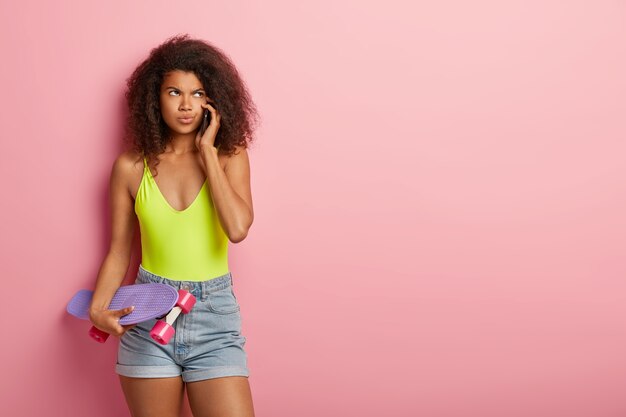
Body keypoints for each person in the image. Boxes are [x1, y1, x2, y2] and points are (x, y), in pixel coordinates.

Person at [88, 34, 259, 417]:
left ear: (214, 100)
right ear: (155, 98)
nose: (186, 105)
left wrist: (208, 154)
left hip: (214, 315)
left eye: (198, 94)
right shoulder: (130, 167)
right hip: (147, 312)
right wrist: (99, 308)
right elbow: (119, 250)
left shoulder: (230, 157)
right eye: (174, 92)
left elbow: (237, 228)